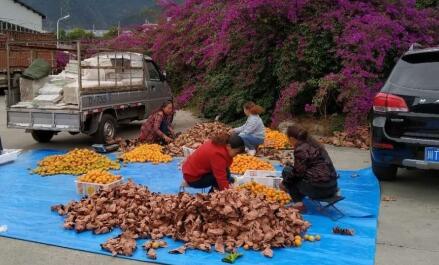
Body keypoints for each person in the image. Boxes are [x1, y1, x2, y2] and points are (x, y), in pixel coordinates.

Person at [280, 125, 338, 212]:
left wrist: (284, 183)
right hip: (332, 187)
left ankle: (298, 204)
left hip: (319, 189)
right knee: (295, 174)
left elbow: (297, 174)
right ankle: (299, 195)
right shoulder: (315, 145)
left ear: (292, 138)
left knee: (287, 171)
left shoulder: (300, 149)